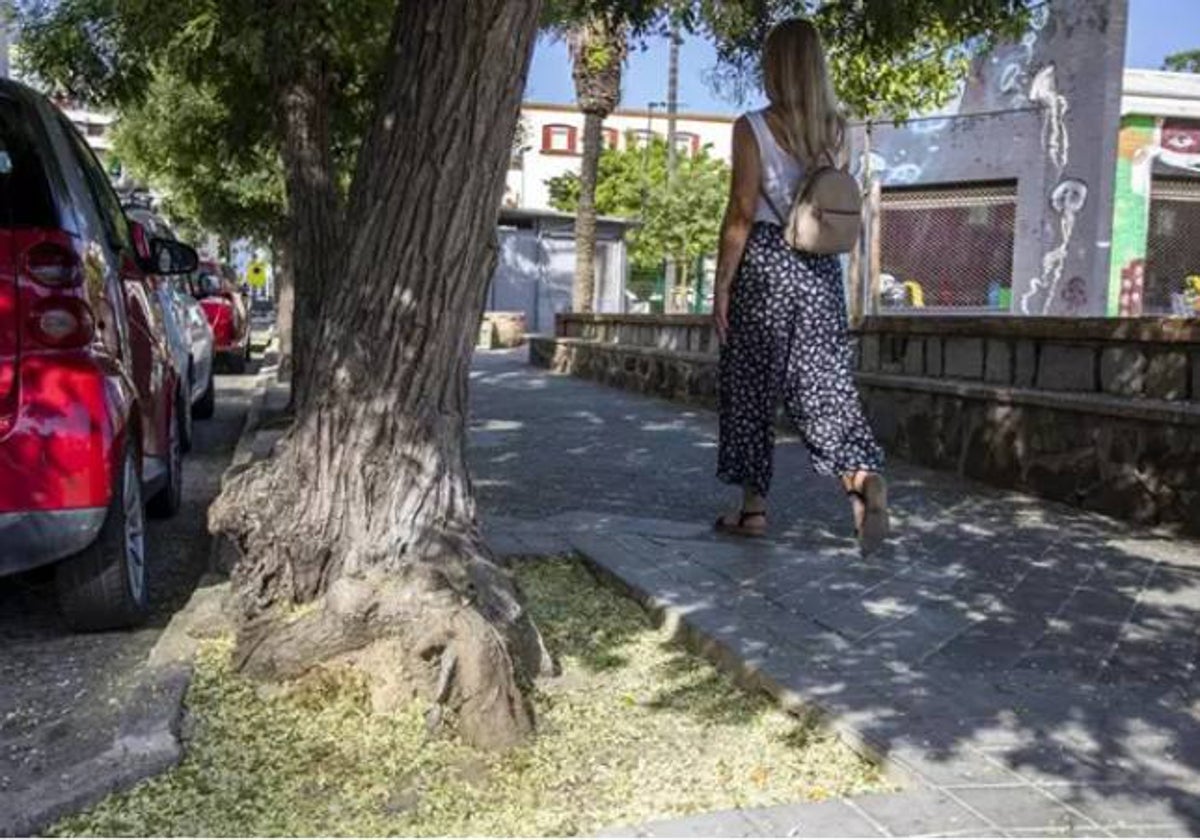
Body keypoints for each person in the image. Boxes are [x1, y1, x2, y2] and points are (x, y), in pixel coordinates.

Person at [711, 18, 889, 555]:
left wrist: (721, 286)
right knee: (823, 387)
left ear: (775, 66)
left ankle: (754, 511)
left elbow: (741, 213)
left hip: (765, 265)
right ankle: (859, 480)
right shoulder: (836, 129)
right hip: (818, 271)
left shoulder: (753, 127)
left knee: (751, 390)